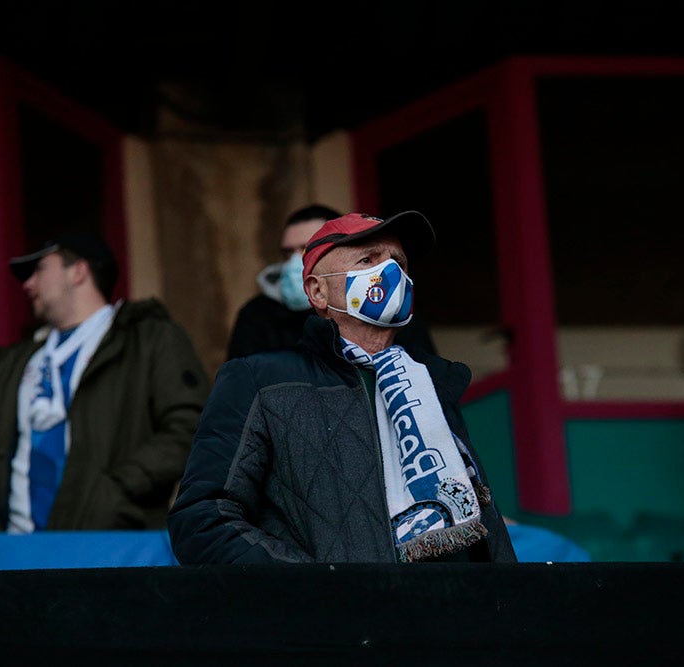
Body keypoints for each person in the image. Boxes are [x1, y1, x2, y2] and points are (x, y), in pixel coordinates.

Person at [168, 211, 516, 563]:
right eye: (368, 259)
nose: (390, 272)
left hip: (441, 610)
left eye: (399, 261)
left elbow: (480, 532)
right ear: (317, 291)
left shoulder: (429, 385)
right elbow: (203, 521)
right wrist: (324, 588)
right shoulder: (260, 381)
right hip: (327, 614)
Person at [0, 231, 210, 532]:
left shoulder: (149, 340)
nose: (28, 284)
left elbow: (192, 428)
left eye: (40, 269)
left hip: (103, 547)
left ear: (78, 272)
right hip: (11, 553)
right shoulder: (15, 361)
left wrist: (116, 489)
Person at [226, 204, 437, 361]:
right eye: (288, 252)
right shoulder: (257, 314)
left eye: (307, 249)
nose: (295, 261)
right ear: (316, 290)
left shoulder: (392, 310)